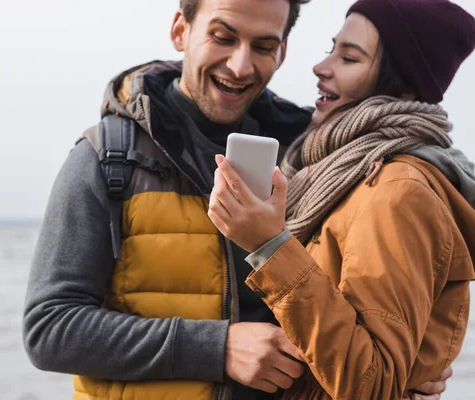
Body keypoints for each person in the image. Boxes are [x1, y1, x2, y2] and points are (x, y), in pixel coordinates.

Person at [23, 0, 452, 399]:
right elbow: (49, 330)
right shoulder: (107, 157)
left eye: (263, 45)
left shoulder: (315, 159)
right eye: (223, 37)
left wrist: (412, 368)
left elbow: (352, 322)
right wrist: (218, 347)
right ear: (181, 30)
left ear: (282, 51)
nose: (240, 65)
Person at [208, 0, 475, 399]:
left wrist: (270, 246)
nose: (322, 67)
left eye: (349, 57)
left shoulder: (397, 191)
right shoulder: (338, 166)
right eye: (332, 49)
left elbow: (373, 386)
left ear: (402, 84)